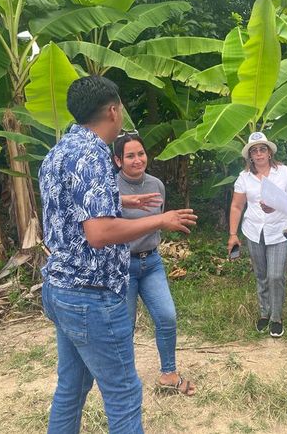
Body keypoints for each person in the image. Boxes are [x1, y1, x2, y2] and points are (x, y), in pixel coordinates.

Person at [39, 75, 197, 434]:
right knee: (124, 393)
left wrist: (122, 200)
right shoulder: (93, 154)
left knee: (71, 388)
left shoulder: (59, 151)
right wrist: (161, 219)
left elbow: (71, 204)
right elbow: (99, 233)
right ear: (113, 111)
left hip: (59, 288)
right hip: (90, 295)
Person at [112, 132, 196, 396]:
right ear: (118, 160)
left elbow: (158, 222)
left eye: (141, 154)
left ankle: (168, 373)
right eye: (130, 156)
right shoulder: (110, 188)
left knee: (167, 316)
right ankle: (124, 380)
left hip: (151, 262)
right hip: (122, 266)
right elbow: (110, 229)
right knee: (124, 326)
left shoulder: (156, 185)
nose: (138, 160)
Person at [227, 132, 287, 337]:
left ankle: (276, 317)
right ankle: (264, 313)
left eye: (262, 149)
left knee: (275, 276)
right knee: (261, 275)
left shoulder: (283, 172)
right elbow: (236, 206)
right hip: (254, 231)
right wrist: (233, 234)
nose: (259, 154)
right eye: (254, 151)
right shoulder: (244, 177)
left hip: (279, 230)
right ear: (250, 156)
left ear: (269, 153)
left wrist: (277, 203)